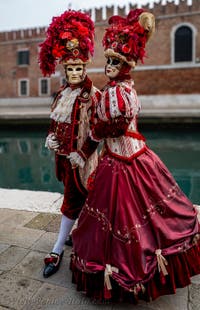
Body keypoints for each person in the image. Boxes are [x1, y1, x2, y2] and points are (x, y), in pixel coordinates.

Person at [69, 9, 200, 303]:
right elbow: (103, 128)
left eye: (117, 61)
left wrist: (86, 148)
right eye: (109, 60)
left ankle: (137, 272)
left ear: (127, 65)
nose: (110, 66)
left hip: (128, 162)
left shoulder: (121, 93)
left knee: (140, 221)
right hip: (120, 159)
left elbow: (108, 128)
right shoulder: (114, 91)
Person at [38, 10, 101, 278]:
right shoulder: (62, 93)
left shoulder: (93, 94)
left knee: (76, 201)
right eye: (70, 69)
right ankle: (78, 236)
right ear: (64, 69)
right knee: (80, 201)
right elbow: (56, 122)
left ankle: (58, 248)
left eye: (79, 68)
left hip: (84, 162)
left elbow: (97, 131)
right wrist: (51, 138)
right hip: (65, 159)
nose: (75, 72)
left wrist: (84, 153)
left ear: (85, 68)